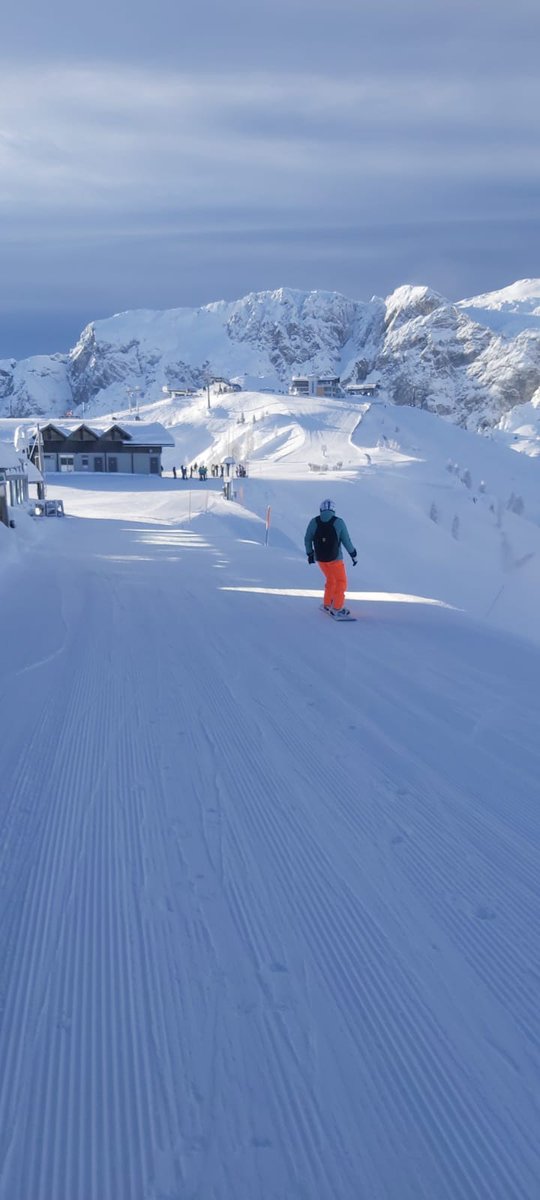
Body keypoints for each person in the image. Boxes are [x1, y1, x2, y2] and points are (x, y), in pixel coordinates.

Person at [304, 499, 357, 618]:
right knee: (341, 582)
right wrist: (353, 554)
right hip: (335, 558)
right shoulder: (338, 522)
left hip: (320, 558)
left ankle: (327, 603)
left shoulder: (314, 521)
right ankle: (338, 608)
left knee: (330, 579)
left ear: (321, 509)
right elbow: (346, 541)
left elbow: (307, 538)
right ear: (333, 510)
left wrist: (310, 553)